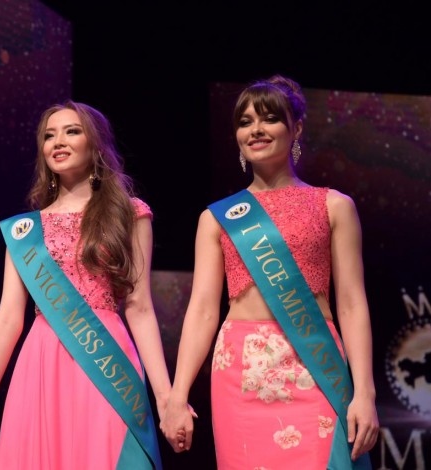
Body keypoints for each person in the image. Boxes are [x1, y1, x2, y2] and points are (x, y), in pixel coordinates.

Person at [161, 75, 379, 468]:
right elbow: (204, 311)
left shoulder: (334, 205)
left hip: (314, 363)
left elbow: (351, 304)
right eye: (245, 122)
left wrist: (364, 393)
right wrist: (178, 395)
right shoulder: (217, 217)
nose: (256, 130)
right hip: (239, 372)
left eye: (270, 119)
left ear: (296, 128)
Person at [0, 100, 172, 469]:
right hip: (41, 360)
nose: (58, 141)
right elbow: (8, 319)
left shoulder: (129, 213)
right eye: (49, 135)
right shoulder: (25, 231)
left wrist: (166, 398)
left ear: (96, 145)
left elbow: (140, 306)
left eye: (72, 131)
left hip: (106, 359)